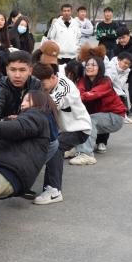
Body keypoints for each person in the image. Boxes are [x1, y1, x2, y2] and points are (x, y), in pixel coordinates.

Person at [32, 53, 92, 205]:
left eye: (42, 84)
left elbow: (48, 106)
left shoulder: (65, 87)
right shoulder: (45, 83)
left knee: (56, 146)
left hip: (79, 129)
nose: (40, 87)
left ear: (53, 77)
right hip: (61, 129)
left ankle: (54, 190)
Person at [68, 56, 126, 165]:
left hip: (116, 117)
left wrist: (73, 98)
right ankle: (77, 148)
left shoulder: (105, 82)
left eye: (93, 65)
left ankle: (87, 155)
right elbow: (79, 93)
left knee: (90, 120)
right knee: (78, 118)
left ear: (100, 68)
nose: (89, 67)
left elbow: (91, 95)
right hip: (99, 115)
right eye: (87, 65)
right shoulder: (83, 80)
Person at [0, 50, 42, 122]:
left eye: (22, 70)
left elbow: (40, 109)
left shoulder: (36, 85)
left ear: (30, 71)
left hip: (28, 123)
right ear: (7, 70)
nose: (17, 75)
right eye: (13, 70)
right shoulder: (2, 84)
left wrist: (22, 117)